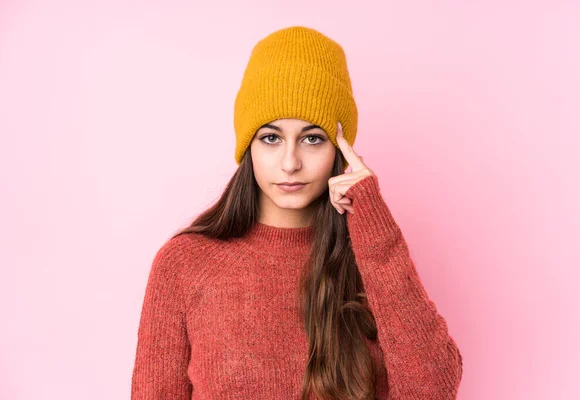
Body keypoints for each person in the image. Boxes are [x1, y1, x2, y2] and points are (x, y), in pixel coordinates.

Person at [131, 25, 463, 400]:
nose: (290, 163)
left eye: (312, 138)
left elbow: (433, 390)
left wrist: (376, 231)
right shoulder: (185, 264)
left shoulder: (372, 260)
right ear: (248, 148)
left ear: (340, 150)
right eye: (271, 138)